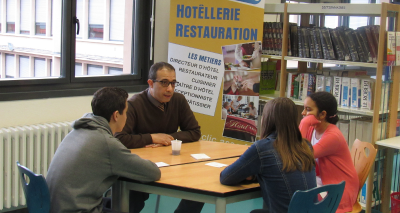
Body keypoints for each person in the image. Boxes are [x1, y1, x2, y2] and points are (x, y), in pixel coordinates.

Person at [46, 87, 161, 213]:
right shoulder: (106, 143)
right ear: (116, 115)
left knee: (134, 195)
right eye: (126, 112)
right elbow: (153, 172)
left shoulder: (80, 129)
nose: (127, 117)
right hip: (76, 209)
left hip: (56, 206)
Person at [114, 62, 203, 213]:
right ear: (150, 83)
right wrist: (152, 138)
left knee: (200, 186)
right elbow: (119, 138)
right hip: (141, 165)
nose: (169, 89)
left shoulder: (178, 100)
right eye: (164, 83)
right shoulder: (134, 104)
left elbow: (194, 131)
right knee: (134, 197)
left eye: (173, 83)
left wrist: (168, 139)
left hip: (171, 161)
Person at [220, 97, 316, 213]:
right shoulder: (306, 146)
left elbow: (226, 177)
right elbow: (281, 169)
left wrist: (251, 174)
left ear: (267, 120)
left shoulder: (262, 148)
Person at [300, 91, 358, 213]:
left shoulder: (333, 136)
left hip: (338, 190)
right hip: (322, 180)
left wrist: (304, 123)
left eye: (308, 109)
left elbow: (301, 154)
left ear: (322, 114)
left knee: (297, 197)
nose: (303, 113)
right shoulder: (313, 129)